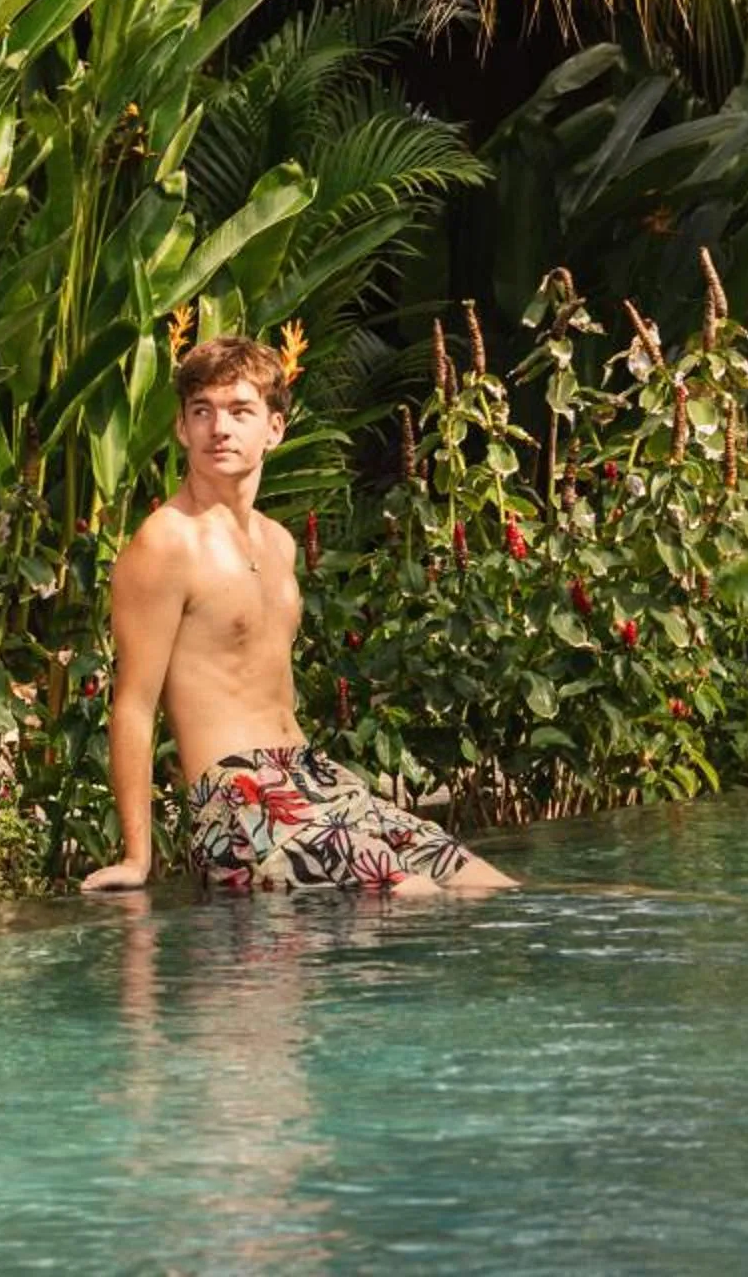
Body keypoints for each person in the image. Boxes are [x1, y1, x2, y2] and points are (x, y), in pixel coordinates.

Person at [82, 333, 513, 896]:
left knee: (488, 887)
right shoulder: (167, 543)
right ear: (182, 429)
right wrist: (137, 857)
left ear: (275, 429)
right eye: (203, 412)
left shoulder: (279, 544)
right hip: (237, 802)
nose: (220, 429)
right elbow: (134, 705)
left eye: (240, 411)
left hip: (313, 779)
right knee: (416, 899)